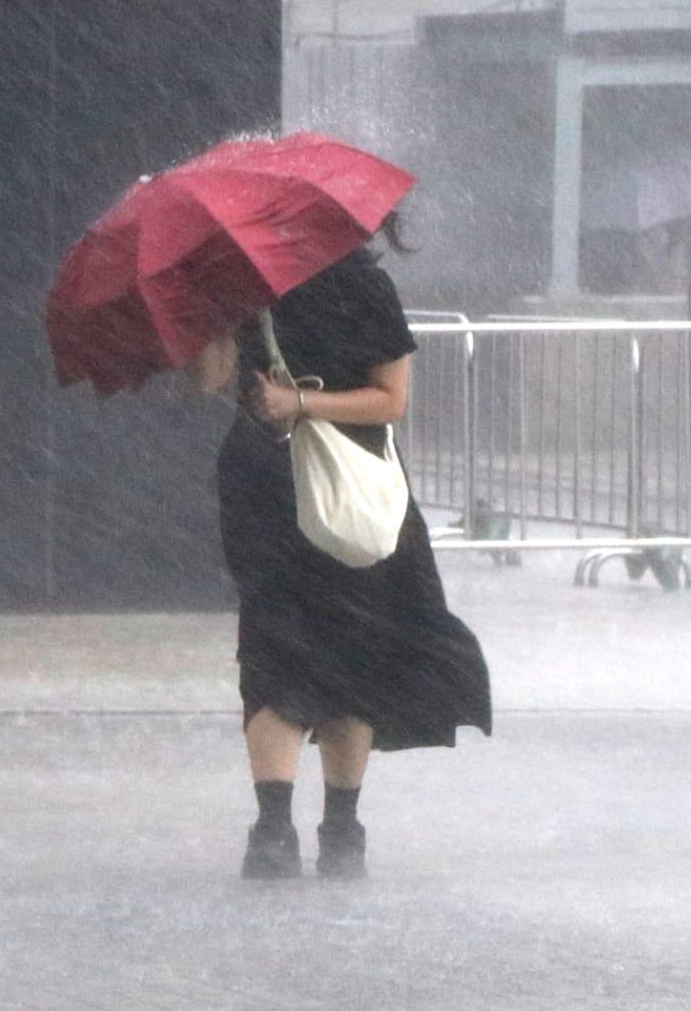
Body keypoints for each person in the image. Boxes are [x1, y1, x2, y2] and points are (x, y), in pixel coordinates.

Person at [187, 222, 491, 880]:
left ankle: (331, 825)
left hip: (345, 488)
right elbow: (210, 377)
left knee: (337, 646)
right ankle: (281, 827)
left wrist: (299, 401)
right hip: (276, 488)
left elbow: (391, 400)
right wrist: (211, 313)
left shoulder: (360, 287)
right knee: (283, 645)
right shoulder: (247, 289)